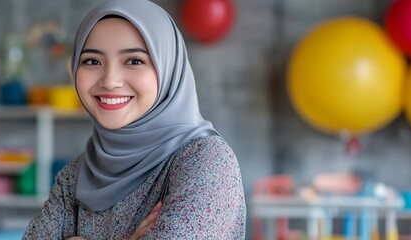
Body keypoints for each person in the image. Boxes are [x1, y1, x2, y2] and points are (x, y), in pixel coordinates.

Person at [23, 0, 246, 239]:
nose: (109, 81)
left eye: (134, 61)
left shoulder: (206, 161)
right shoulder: (76, 175)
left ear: (168, 68)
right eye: (92, 61)